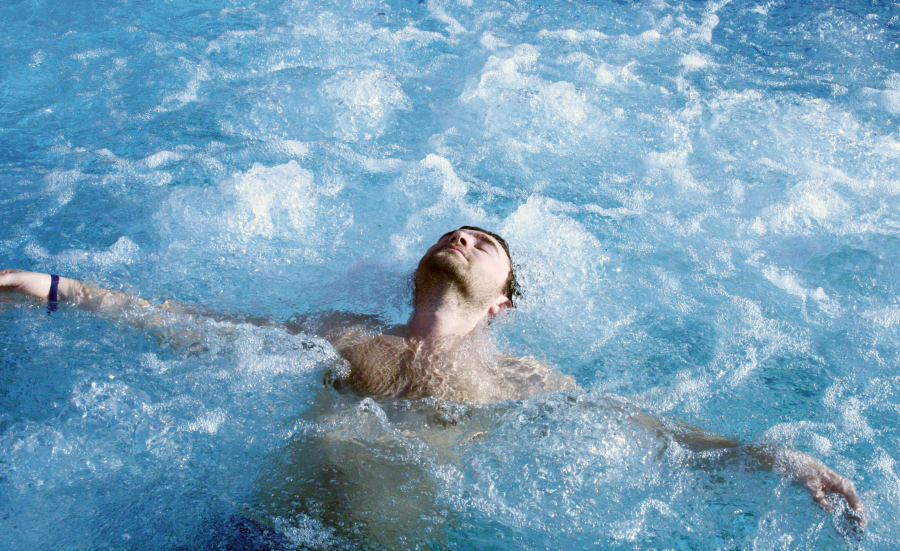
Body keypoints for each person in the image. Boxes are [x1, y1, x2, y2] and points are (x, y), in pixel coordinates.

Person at [0, 226, 866, 527]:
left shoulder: (523, 378)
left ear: (503, 304)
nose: (466, 239)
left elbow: (646, 431)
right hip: (261, 530)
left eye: (487, 244)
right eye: (454, 233)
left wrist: (767, 456)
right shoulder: (337, 331)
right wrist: (55, 290)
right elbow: (198, 326)